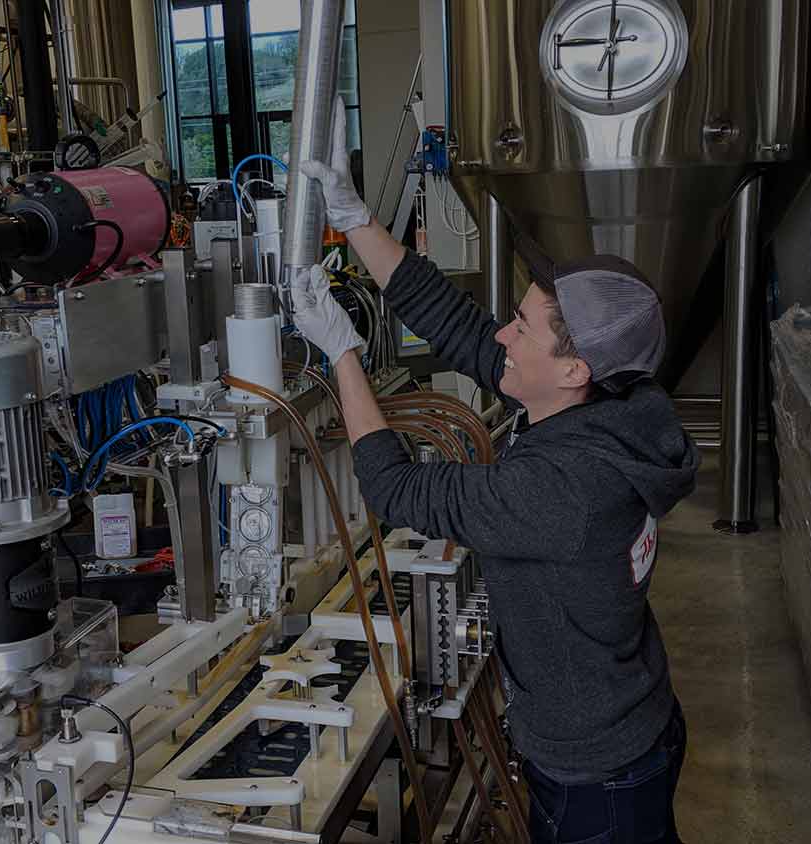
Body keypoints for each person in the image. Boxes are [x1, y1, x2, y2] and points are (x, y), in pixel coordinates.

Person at [289, 100, 700, 844]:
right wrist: (356, 222)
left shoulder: (563, 492)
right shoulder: (620, 407)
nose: (503, 333)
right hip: (633, 720)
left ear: (573, 368)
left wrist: (342, 354)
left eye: (524, 327)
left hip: (594, 772)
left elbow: (398, 489)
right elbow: (458, 324)